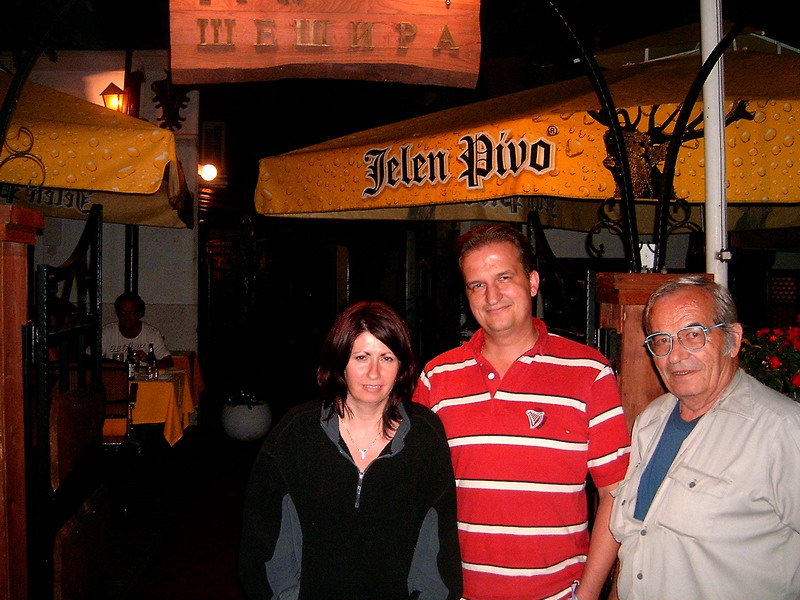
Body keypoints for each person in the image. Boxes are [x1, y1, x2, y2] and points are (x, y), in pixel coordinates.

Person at [414, 224, 631, 600]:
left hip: (558, 593)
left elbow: (615, 493)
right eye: (477, 284)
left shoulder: (589, 372)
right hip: (457, 592)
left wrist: (588, 594)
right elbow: (413, 488)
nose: (492, 296)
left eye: (504, 278)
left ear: (532, 282)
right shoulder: (436, 377)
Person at [239, 300, 462, 600]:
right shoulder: (296, 434)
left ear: (401, 366)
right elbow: (264, 545)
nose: (374, 372)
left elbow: (436, 549)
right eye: (361, 357)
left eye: (386, 358)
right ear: (340, 361)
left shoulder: (425, 437)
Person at [610, 275, 800, 600]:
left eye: (693, 335)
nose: (675, 356)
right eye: (662, 340)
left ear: (733, 339)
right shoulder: (650, 421)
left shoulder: (781, 430)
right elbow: (637, 539)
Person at [102, 291, 173, 368]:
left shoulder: (152, 334)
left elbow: (168, 363)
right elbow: (92, 359)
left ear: (140, 313)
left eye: (131, 312)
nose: (127, 317)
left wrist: (148, 359)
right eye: (123, 312)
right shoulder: (106, 333)